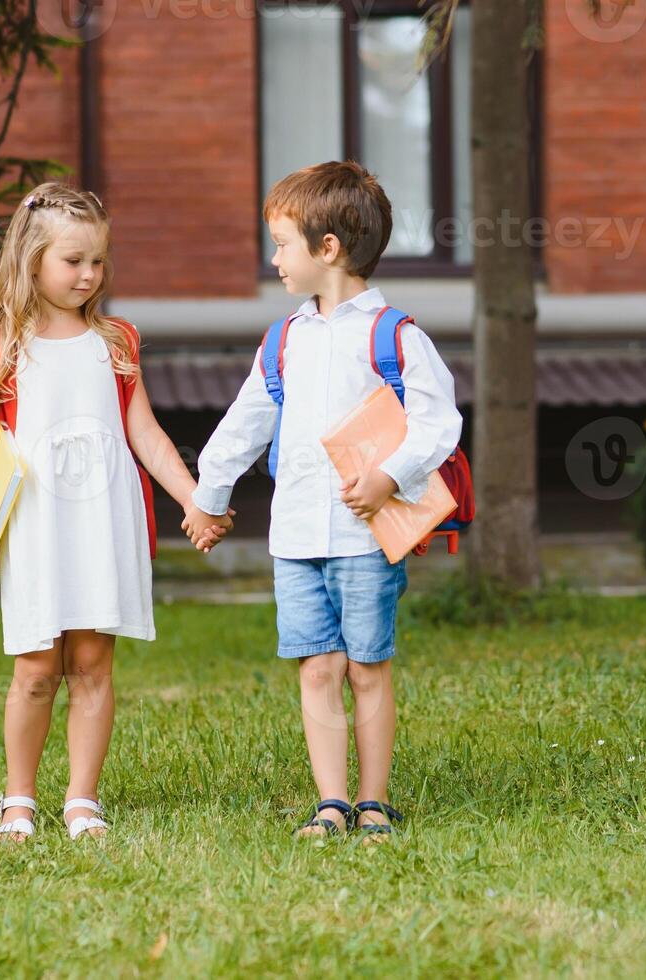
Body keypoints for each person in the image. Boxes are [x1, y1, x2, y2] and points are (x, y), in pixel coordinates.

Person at [182, 161, 462, 841]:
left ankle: (373, 802)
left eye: (281, 244)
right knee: (317, 666)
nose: (273, 257)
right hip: (297, 539)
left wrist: (391, 475)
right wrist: (207, 498)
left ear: (327, 249)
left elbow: (439, 421)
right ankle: (331, 803)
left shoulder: (395, 337)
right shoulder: (285, 340)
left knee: (367, 667)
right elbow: (246, 421)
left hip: (365, 538)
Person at [0, 182, 228, 842]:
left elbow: (147, 435)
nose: (89, 274)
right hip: (39, 522)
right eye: (73, 260)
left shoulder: (116, 340)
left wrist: (195, 497)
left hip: (104, 517)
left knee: (95, 664)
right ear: (31, 259)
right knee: (37, 665)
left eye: (98, 260)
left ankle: (81, 798)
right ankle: (18, 798)